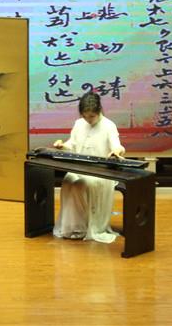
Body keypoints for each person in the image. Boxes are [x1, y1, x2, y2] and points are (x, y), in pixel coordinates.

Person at [51, 91, 125, 243]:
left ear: (99, 111)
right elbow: (72, 144)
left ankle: (87, 226)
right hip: (80, 168)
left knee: (81, 184)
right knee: (68, 181)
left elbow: (117, 146)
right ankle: (73, 227)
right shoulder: (79, 124)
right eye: (85, 116)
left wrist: (117, 151)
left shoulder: (109, 126)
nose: (88, 120)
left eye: (92, 116)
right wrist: (62, 145)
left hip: (101, 172)